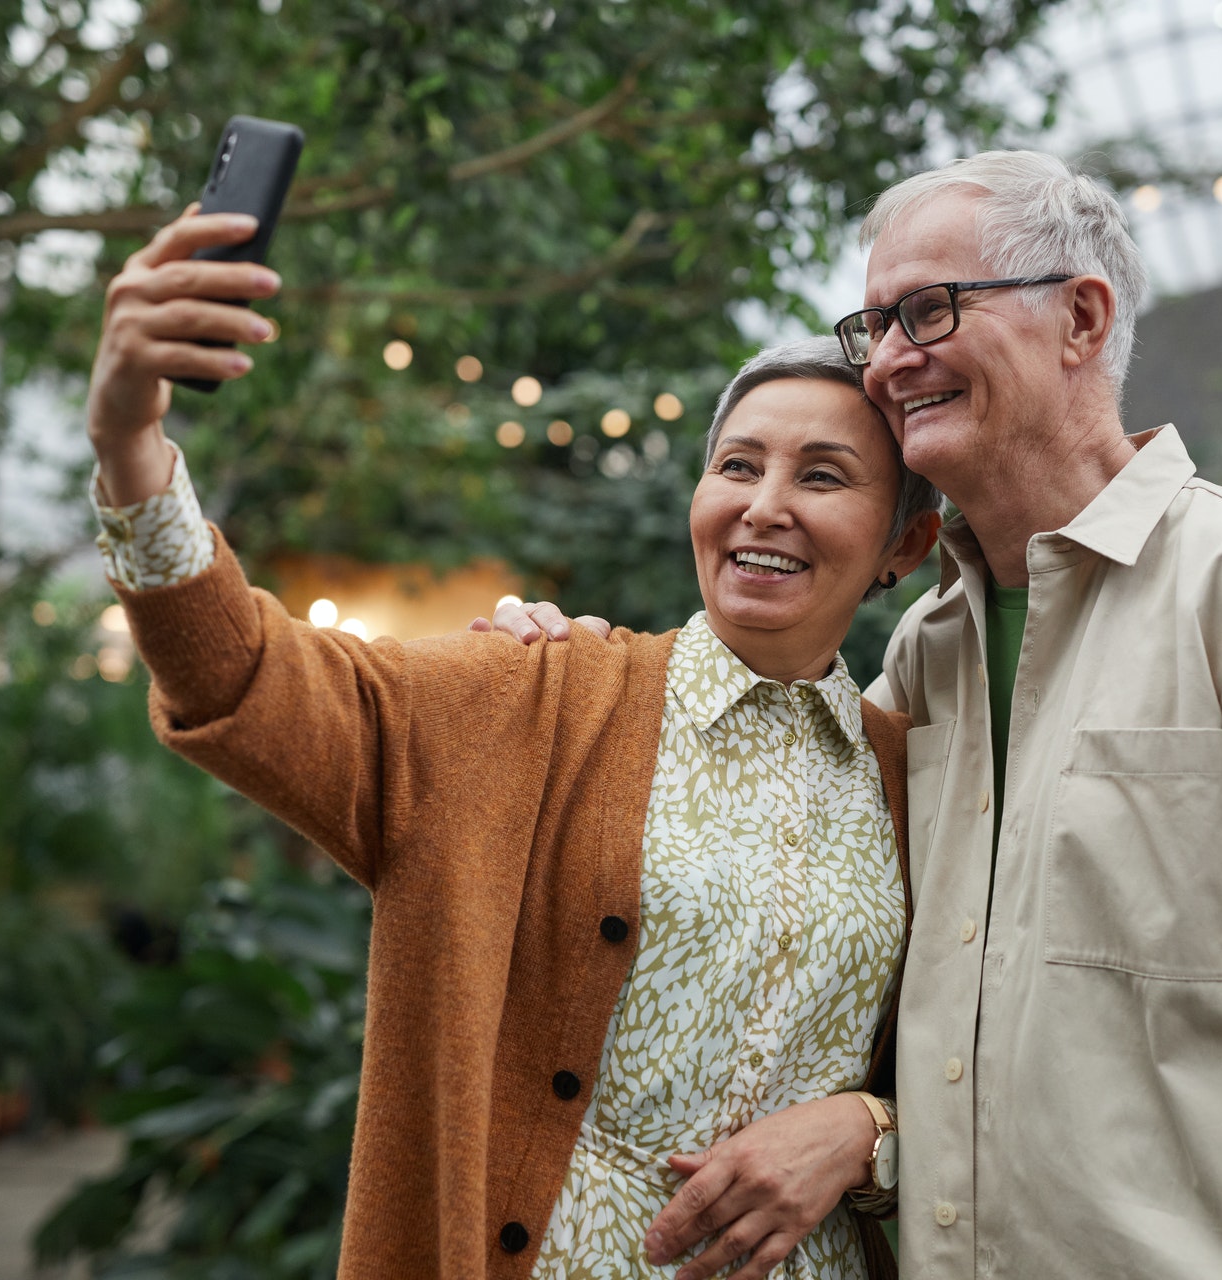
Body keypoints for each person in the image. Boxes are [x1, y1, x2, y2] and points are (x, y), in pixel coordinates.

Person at [489, 150, 1222, 1279]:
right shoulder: (920, 662)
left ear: (1082, 318)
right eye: (875, 324)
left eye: (929, 310)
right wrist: (575, 676)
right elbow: (862, 983)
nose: (890, 360)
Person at [83, 208, 946, 1279]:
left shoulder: (924, 777)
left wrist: (872, 1130)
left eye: (822, 476)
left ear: (904, 540)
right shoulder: (530, 700)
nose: (764, 506)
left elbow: (984, 1067)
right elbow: (240, 676)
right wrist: (128, 440)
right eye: (736, 465)